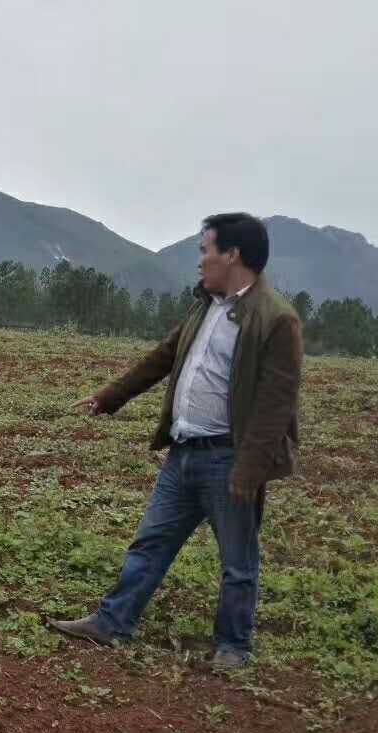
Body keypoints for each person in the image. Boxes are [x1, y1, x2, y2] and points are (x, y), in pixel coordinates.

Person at [51, 213, 303, 669]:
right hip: (184, 452)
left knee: (237, 560)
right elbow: (165, 356)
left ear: (233, 255)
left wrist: (249, 469)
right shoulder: (206, 304)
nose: (200, 261)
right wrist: (112, 396)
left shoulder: (276, 319)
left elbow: (276, 404)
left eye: (205, 250)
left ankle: (233, 647)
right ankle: (112, 623)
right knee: (150, 543)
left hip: (230, 457)